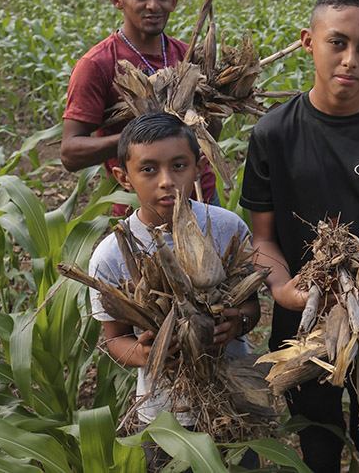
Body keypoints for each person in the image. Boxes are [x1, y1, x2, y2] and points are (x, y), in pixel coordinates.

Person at [240, 0, 359, 473]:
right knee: (318, 439)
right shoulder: (274, 133)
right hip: (303, 319)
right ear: (308, 41)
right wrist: (282, 291)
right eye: (337, 43)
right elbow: (263, 237)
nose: (350, 59)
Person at [87, 112, 259, 468]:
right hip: (164, 415)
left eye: (178, 166)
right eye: (148, 170)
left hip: (234, 402)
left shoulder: (227, 228)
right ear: (122, 177)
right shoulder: (111, 255)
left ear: (198, 168)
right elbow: (114, 340)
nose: (166, 181)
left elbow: (252, 307)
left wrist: (236, 325)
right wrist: (149, 354)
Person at [61, 0, 217, 216]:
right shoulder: (98, 64)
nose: (153, 5)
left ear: (174, 1)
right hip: (140, 211)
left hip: (201, 199)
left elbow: (211, 134)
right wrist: (140, 138)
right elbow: (70, 152)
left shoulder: (188, 57)